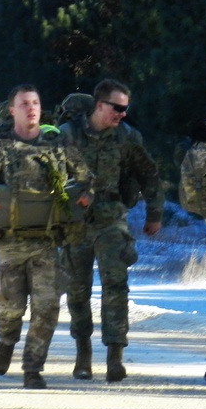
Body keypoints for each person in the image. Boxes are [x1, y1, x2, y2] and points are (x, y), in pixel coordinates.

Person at [0, 85, 92, 389]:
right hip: (10, 240)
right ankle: (7, 340)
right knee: (11, 305)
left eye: (35, 103)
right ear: (12, 110)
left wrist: (86, 196)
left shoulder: (58, 148)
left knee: (47, 307)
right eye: (24, 104)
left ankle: (33, 368)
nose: (31, 108)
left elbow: (87, 179)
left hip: (46, 241)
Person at [58, 79, 163, 382]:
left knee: (116, 286)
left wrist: (154, 214)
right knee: (77, 290)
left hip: (111, 219)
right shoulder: (67, 136)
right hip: (74, 222)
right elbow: (47, 175)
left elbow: (149, 174)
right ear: (99, 105)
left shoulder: (128, 137)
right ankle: (83, 355)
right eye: (117, 108)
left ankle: (115, 356)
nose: (122, 114)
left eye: (125, 109)